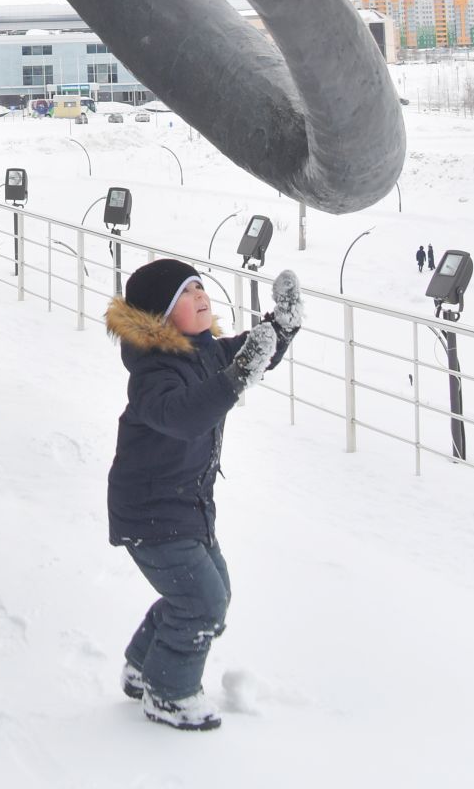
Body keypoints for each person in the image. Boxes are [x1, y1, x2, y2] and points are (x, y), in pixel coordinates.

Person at [106, 257, 303, 732]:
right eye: (186, 293)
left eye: (200, 287)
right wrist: (237, 377)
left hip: (188, 505)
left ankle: (142, 666)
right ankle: (169, 695)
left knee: (209, 594)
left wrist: (282, 326)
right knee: (202, 602)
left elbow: (251, 354)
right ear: (160, 315)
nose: (200, 296)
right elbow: (184, 415)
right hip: (149, 513)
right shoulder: (153, 375)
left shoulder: (208, 351)